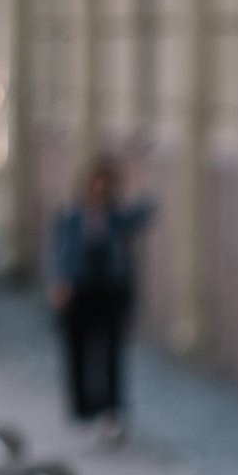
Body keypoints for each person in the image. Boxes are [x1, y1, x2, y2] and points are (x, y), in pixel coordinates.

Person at [44, 156, 154, 438]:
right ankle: (83, 409)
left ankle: (111, 410)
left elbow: (147, 210)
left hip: (110, 292)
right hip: (79, 291)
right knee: (77, 351)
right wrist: (59, 283)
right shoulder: (72, 216)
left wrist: (133, 177)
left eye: (105, 186)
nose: (99, 191)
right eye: (96, 185)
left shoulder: (118, 217)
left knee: (111, 353)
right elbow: (60, 252)